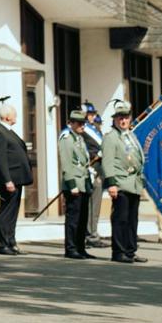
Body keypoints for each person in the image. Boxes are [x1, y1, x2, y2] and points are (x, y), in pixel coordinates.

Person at [102, 101, 146, 264]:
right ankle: (119, 252)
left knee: (132, 220)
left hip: (134, 183)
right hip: (120, 183)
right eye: (120, 118)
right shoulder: (111, 138)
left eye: (126, 117)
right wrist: (111, 184)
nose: (123, 121)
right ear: (114, 119)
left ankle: (130, 250)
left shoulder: (131, 135)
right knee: (121, 219)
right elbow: (107, 162)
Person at [0, 103, 32, 255]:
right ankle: (3, 244)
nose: (16, 117)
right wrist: (7, 180)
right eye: (14, 114)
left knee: (13, 213)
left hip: (17, 179)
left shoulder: (8, 131)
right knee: (6, 212)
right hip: (9, 180)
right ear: (7, 116)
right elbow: (0, 159)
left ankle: (11, 242)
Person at [59, 109, 93, 260]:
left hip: (83, 183)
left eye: (83, 123)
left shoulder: (79, 139)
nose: (82, 126)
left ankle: (80, 247)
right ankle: (71, 248)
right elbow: (66, 164)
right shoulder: (67, 139)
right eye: (79, 123)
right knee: (73, 219)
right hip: (74, 184)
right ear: (71, 123)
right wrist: (72, 184)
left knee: (82, 218)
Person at [81, 103, 107, 249]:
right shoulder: (83, 130)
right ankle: (90, 235)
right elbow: (83, 149)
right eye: (90, 114)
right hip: (90, 169)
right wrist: (95, 155)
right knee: (90, 204)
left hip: (98, 169)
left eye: (93, 114)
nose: (92, 117)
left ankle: (91, 232)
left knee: (94, 205)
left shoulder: (94, 129)